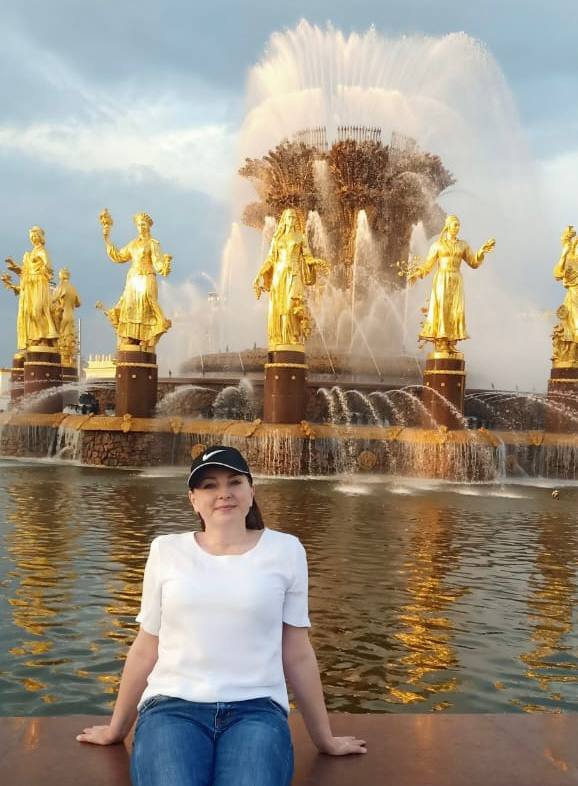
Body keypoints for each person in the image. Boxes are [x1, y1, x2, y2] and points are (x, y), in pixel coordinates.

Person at [76, 445, 366, 785]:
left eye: (234, 482)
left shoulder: (286, 550)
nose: (223, 493)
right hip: (172, 707)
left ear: (251, 491)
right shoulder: (166, 550)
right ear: (193, 499)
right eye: (209, 485)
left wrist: (324, 739)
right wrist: (117, 729)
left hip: (256, 710)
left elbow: (297, 652)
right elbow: (145, 647)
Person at [407, 214, 495, 354]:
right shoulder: (437, 245)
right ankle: (442, 342)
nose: (457, 228)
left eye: (459, 225)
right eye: (455, 224)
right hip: (442, 279)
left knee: (455, 310)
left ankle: (451, 341)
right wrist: (417, 273)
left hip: (456, 280)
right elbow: (428, 266)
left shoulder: (463, 245)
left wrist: (481, 252)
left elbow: (474, 263)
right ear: (448, 226)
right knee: (442, 308)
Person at [253, 208, 329, 350]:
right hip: (279, 275)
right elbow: (270, 259)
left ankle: (294, 335)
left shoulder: (300, 237)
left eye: (294, 217)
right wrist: (260, 274)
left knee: (291, 305)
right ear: (284, 220)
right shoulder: (277, 238)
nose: (292, 220)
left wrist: (316, 262)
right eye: (289, 217)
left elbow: (307, 257)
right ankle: (281, 338)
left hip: (294, 274)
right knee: (278, 307)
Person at [98, 210, 172, 351]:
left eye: (143, 224)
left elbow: (158, 264)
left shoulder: (152, 244)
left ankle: (149, 334)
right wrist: (107, 238)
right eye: (138, 225)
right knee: (131, 306)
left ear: (149, 226)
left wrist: (165, 265)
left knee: (147, 303)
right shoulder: (133, 244)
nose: (141, 227)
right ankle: (131, 337)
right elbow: (119, 256)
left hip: (147, 276)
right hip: (133, 279)